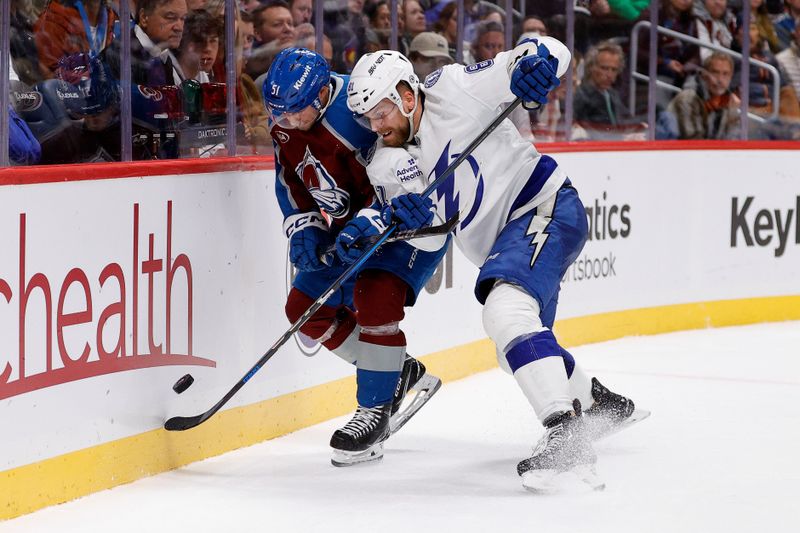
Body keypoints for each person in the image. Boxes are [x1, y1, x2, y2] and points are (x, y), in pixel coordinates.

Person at [344, 39, 641, 492]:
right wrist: (405, 222)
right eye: (367, 118)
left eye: (380, 111)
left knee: (504, 311)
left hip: (543, 206)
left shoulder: (454, 87)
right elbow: (429, 233)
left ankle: (567, 434)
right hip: (505, 243)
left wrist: (537, 66)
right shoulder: (384, 161)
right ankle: (595, 404)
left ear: (406, 95)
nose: (375, 125)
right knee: (513, 351)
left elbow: (547, 49)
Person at [263, 47, 448, 467]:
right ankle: (397, 372)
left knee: (374, 298)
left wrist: (372, 221)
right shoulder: (287, 121)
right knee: (304, 309)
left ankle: (375, 410)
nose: (285, 122)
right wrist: (306, 225)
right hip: (350, 227)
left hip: (405, 223)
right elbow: (290, 179)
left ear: (323, 94)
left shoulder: (363, 110)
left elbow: (399, 176)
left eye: (294, 113)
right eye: (279, 113)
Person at [574, 40, 646, 140]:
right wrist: (622, 139)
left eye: (614, 70)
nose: (609, 75)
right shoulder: (581, 94)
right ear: (591, 67)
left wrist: (638, 126)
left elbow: (625, 120)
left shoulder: (612, 94)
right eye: (604, 68)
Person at [666, 51, 741, 139]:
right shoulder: (688, 98)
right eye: (715, 73)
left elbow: (732, 142)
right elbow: (695, 142)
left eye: (725, 74)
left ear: (731, 77)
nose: (720, 80)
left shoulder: (728, 102)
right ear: (704, 75)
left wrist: (732, 115)